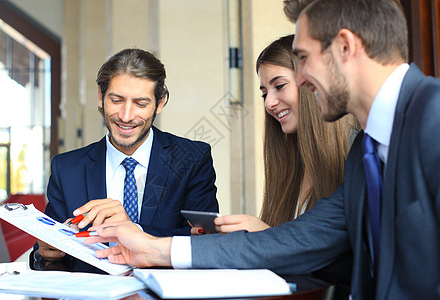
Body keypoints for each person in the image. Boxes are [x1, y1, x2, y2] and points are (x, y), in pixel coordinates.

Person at [82, 1, 440, 299]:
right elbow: (300, 240)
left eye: (303, 57)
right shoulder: (366, 152)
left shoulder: (434, 116)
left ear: (345, 47)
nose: (300, 80)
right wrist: (152, 248)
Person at [30, 48, 219, 272]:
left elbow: (207, 242)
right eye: (117, 100)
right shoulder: (67, 168)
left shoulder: (192, 159)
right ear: (101, 98)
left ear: (160, 103)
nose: (126, 116)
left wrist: (133, 229)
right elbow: (50, 251)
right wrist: (46, 253)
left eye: (140, 103)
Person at [200, 35, 354, 235]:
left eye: (279, 86)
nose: (268, 103)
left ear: (310, 84)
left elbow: (335, 251)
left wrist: (265, 235)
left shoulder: (355, 153)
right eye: (264, 93)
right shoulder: (292, 162)